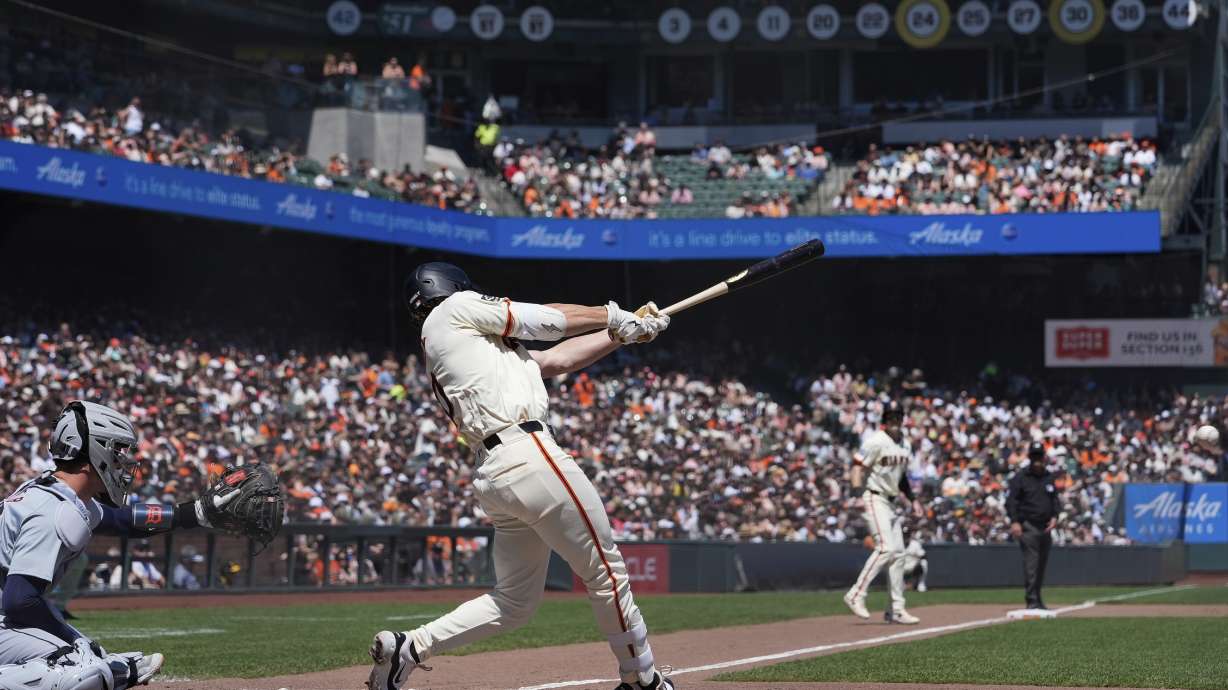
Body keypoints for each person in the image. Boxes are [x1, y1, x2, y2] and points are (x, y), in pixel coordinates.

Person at [367, 263, 674, 690]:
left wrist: (624, 332)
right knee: (607, 571)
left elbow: (554, 358)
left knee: (513, 602)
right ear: (451, 287)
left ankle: (411, 646)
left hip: (498, 472)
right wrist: (612, 314)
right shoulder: (457, 307)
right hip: (527, 453)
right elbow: (548, 321)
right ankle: (642, 680)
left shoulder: (466, 343)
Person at [0, 400, 277, 689]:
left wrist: (194, 512)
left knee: (93, 662)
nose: (123, 462)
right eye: (117, 451)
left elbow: (123, 521)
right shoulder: (56, 510)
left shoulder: (54, 492)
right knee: (82, 667)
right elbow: (20, 600)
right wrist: (77, 640)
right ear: (96, 449)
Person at [843, 400, 924, 625]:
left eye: (898, 417)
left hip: (891, 501)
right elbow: (857, 465)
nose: (894, 421)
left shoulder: (905, 445)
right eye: (890, 417)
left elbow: (902, 478)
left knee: (898, 554)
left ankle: (896, 609)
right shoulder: (876, 441)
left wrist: (913, 500)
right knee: (886, 549)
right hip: (874, 496)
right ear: (884, 421)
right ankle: (856, 594)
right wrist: (857, 493)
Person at [1006, 442, 1060, 610]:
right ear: (1030, 458)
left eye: (1039, 457)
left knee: (1041, 566)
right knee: (1032, 565)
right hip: (1028, 526)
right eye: (1034, 457)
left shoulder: (1049, 477)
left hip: (1045, 527)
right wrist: (1015, 521)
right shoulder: (1021, 478)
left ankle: (1037, 598)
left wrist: (1055, 516)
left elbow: (1054, 500)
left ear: (1044, 458)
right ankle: (1031, 600)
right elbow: (1011, 502)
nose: (1037, 461)